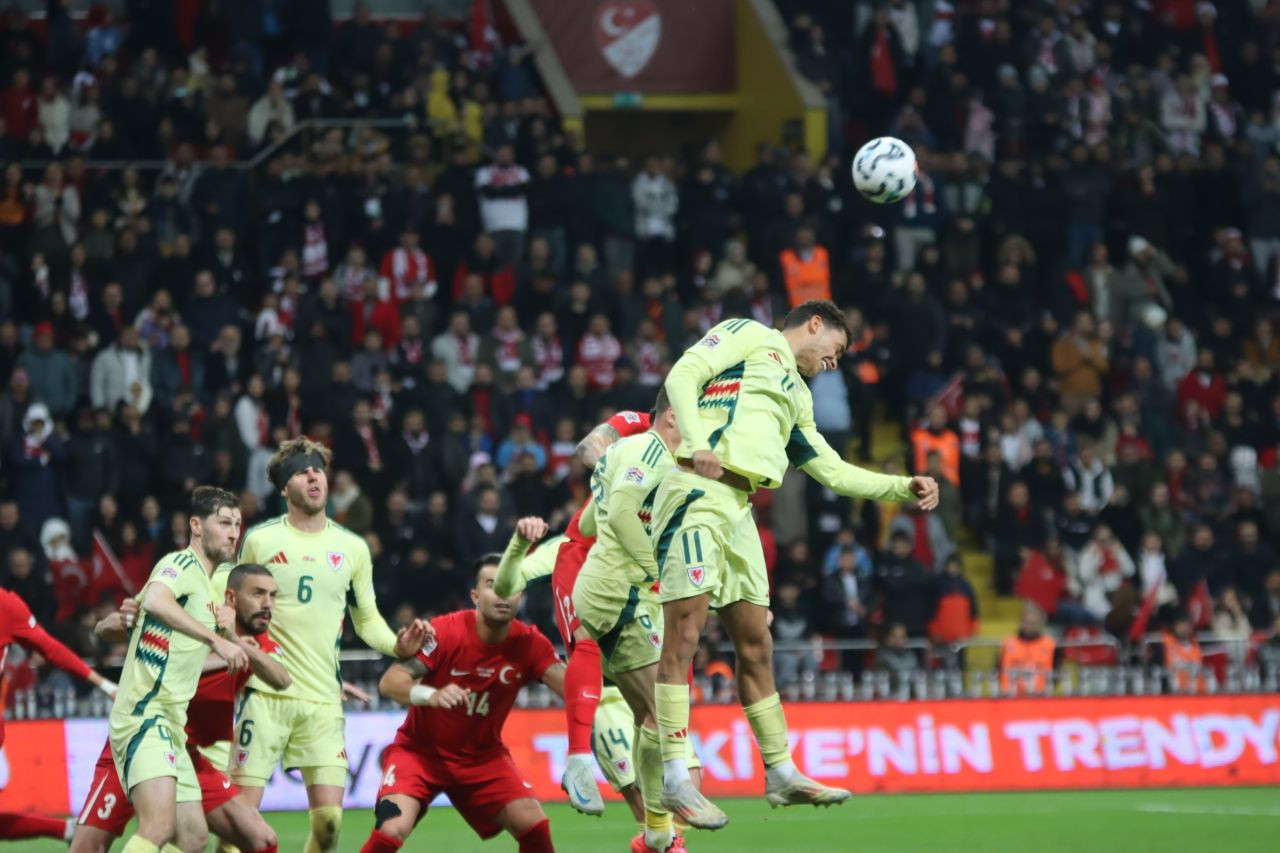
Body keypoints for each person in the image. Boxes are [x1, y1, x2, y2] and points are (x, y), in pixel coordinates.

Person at [651, 302, 939, 828]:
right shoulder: (748, 334)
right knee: (685, 632)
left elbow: (832, 470)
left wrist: (902, 486)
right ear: (814, 324)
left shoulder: (798, 395)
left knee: (757, 641)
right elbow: (683, 373)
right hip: (697, 489)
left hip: (739, 510)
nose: (835, 362)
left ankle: (780, 771)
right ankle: (674, 773)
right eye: (837, 349)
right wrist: (694, 443)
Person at [233, 438, 433, 853]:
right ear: (285, 488)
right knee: (239, 827)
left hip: (323, 700)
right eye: (302, 472)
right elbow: (234, 611)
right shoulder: (260, 540)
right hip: (266, 694)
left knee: (329, 824)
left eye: (318, 470)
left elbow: (367, 621)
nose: (313, 476)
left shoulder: (353, 548)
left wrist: (398, 645)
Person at [359, 547, 566, 853]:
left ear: (520, 596)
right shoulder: (447, 631)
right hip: (419, 753)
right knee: (392, 829)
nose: (502, 594)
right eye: (491, 584)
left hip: (483, 758)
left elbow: (575, 690)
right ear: (475, 596)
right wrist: (432, 694)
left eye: (511, 586)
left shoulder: (530, 644)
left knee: (535, 826)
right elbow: (390, 683)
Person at [74, 564, 290, 853]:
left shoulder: (254, 639)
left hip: (184, 753)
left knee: (258, 840)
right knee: (88, 849)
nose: (268, 604)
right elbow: (110, 627)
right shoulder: (189, 615)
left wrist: (238, 644)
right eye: (258, 594)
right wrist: (119, 622)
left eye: (273, 596)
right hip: (139, 740)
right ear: (231, 598)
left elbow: (281, 678)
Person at [572, 388, 696, 853]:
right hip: (616, 590)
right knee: (663, 719)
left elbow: (592, 521)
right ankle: (657, 835)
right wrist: (612, 463)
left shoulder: (667, 466)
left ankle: (659, 836)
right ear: (667, 416)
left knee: (668, 723)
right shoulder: (639, 440)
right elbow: (588, 451)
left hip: (637, 595)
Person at [105, 486, 250, 853]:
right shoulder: (181, 565)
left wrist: (114, 625)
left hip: (171, 724)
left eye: (237, 524)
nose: (233, 532)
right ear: (196, 526)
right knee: (157, 826)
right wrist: (216, 640)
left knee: (193, 838)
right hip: (144, 714)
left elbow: (126, 617)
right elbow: (154, 600)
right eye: (223, 523)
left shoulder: (204, 585)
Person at [0, 587, 117, 843]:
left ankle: (66, 830)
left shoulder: (6, 606)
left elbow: (50, 648)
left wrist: (103, 684)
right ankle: (66, 830)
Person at [999, 602, 1056, 696]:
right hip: (1010, 696)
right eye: (1027, 622)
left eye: (1033, 623)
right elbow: (998, 668)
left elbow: (1056, 670)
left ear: (1040, 624)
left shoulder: (1050, 644)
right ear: (1021, 622)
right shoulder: (1008, 643)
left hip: (1040, 697)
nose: (1030, 627)